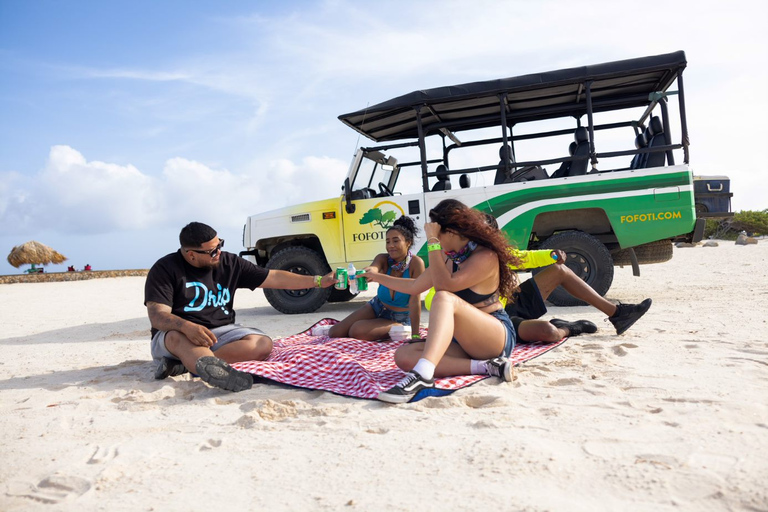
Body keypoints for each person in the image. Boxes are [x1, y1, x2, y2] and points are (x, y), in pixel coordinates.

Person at [144, 222, 336, 392]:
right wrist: (187, 327)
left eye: (219, 245)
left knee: (262, 344)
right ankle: (201, 364)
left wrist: (318, 280)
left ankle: (190, 365)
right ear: (191, 255)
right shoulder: (165, 269)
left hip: (220, 333)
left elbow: (274, 277)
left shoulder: (228, 262)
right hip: (176, 335)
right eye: (212, 251)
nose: (218, 252)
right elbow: (158, 316)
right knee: (178, 338)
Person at [363, 199, 521, 403]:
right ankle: (488, 366)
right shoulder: (449, 258)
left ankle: (423, 375)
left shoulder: (485, 256)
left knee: (443, 297)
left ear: (452, 232)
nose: (434, 237)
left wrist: (432, 241)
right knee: (403, 355)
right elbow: (414, 286)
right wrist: (376, 277)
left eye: (437, 232)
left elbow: (446, 287)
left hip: (493, 335)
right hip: (463, 341)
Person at [328, 216, 425, 341]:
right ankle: (380, 326)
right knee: (334, 332)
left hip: (400, 316)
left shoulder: (416, 263)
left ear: (408, 242)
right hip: (376, 306)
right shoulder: (383, 258)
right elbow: (373, 269)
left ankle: (401, 327)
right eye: (388, 242)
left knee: (356, 331)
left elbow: (415, 301)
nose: (391, 246)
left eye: (396, 241)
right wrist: (362, 275)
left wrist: (415, 334)